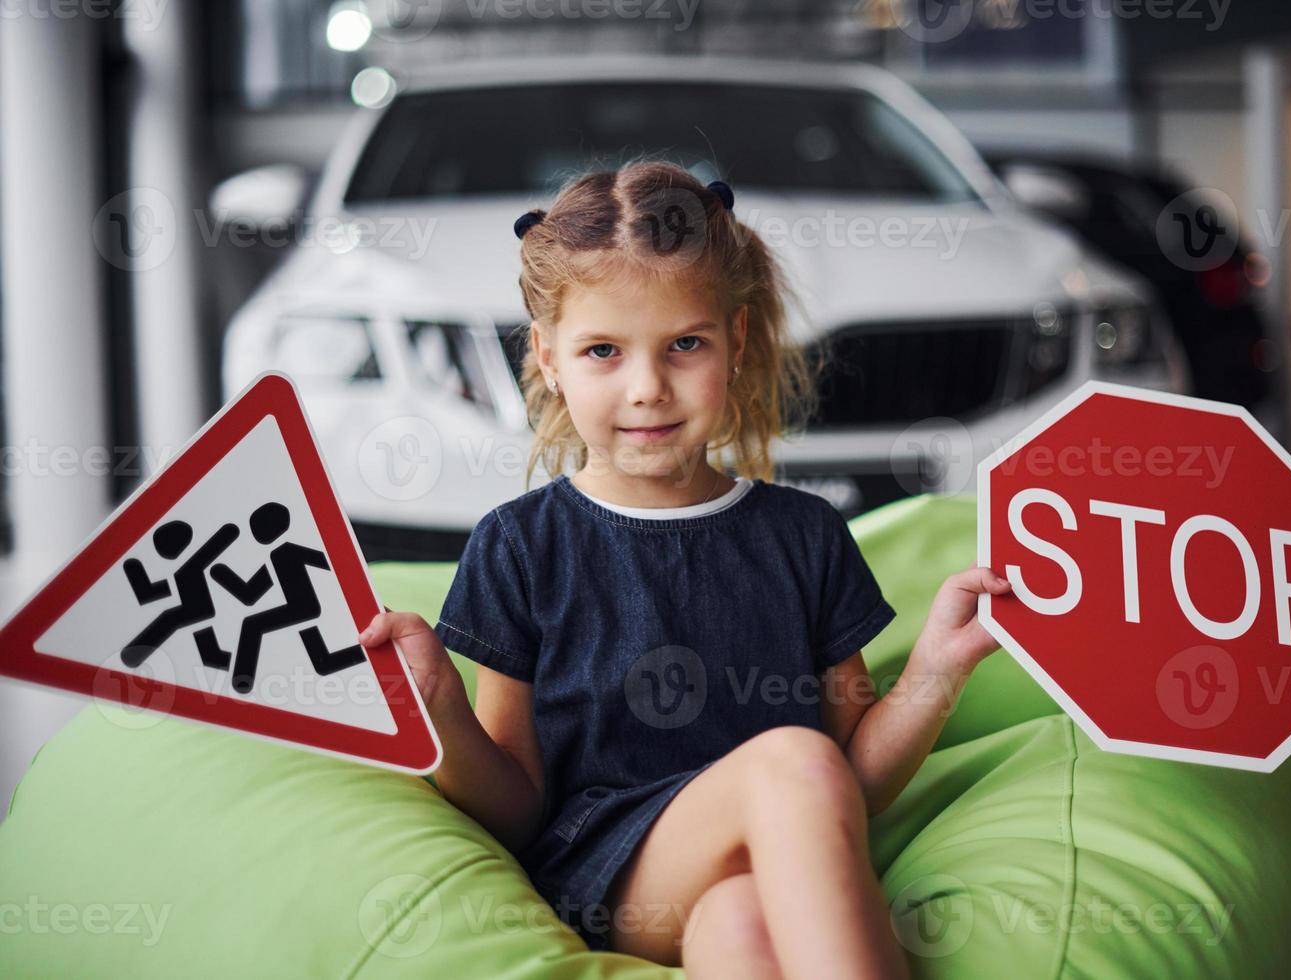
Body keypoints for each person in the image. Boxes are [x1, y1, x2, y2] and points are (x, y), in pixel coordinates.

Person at [357, 160, 1013, 978]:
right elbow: (517, 808)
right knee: (793, 760)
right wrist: (442, 713)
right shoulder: (520, 546)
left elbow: (855, 785)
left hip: (752, 873)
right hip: (610, 876)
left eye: (685, 345)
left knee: (742, 930)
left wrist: (936, 672)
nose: (647, 388)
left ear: (734, 343)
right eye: (602, 350)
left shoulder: (803, 535)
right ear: (549, 357)